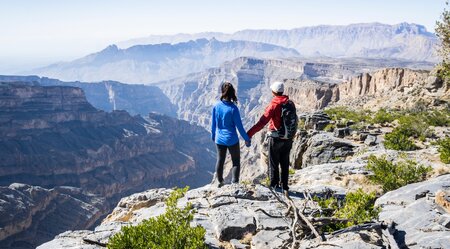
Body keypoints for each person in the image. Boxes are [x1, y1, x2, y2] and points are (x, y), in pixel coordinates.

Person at [247, 81, 295, 197]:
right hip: (288, 138)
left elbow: (262, 122)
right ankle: (285, 186)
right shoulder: (290, 103)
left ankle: (274, 186)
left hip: (275, 138)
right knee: (284, 162)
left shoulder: (274, 104)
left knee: (273, 163)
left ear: (273, 92)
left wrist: (249, 133)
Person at [211, 82, 251, 187]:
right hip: (232, 139)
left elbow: (213, 125)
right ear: (233, 93)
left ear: (222, 92)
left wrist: (213, 136)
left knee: (220, 159)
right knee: (236, 161)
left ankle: (220, 181)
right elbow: (240, 127)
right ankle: (235, 183)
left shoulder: (216, 106)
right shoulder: (233, 109)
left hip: (219, 139)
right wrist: (247, 139)